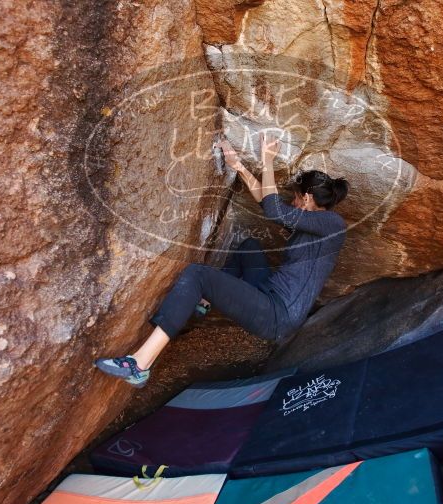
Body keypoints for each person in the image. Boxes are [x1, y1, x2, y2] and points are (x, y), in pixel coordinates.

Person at [95, 132, 350, 387]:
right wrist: (237, 165)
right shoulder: (314, 223)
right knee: (250, 247)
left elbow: (274, 210)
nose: (292, 203)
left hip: (277, 315)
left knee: (197, 274)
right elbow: (266, 201)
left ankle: (140, 364)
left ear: (306, 199)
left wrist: (268, 161)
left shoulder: (332, 224)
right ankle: (204, 301)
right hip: (269, 295)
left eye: (295, 197)